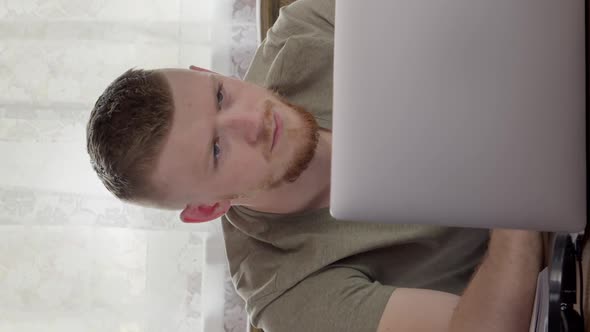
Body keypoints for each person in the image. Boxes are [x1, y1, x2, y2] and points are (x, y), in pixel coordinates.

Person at [86, 0, 544, 331]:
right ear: (208, 208)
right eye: (217, 150)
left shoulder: (303, 30)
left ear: (209, 74)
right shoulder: (285, 296)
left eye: (221, 96)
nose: (253, 120)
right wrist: (520, 197)